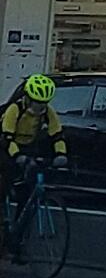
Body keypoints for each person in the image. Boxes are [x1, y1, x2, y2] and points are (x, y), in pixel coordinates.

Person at [1, 68, 66, 233]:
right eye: (37, 102)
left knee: (27, 192)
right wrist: (17, 156)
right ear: (29, 99)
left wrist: (61, 154)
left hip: (27, 146)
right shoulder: (14, 109)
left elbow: (57, 135)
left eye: (44, 103)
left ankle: (19, 236)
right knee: (4, 181)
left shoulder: (48, 113)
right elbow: (7, 138)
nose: (41, 107)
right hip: (7, 145)